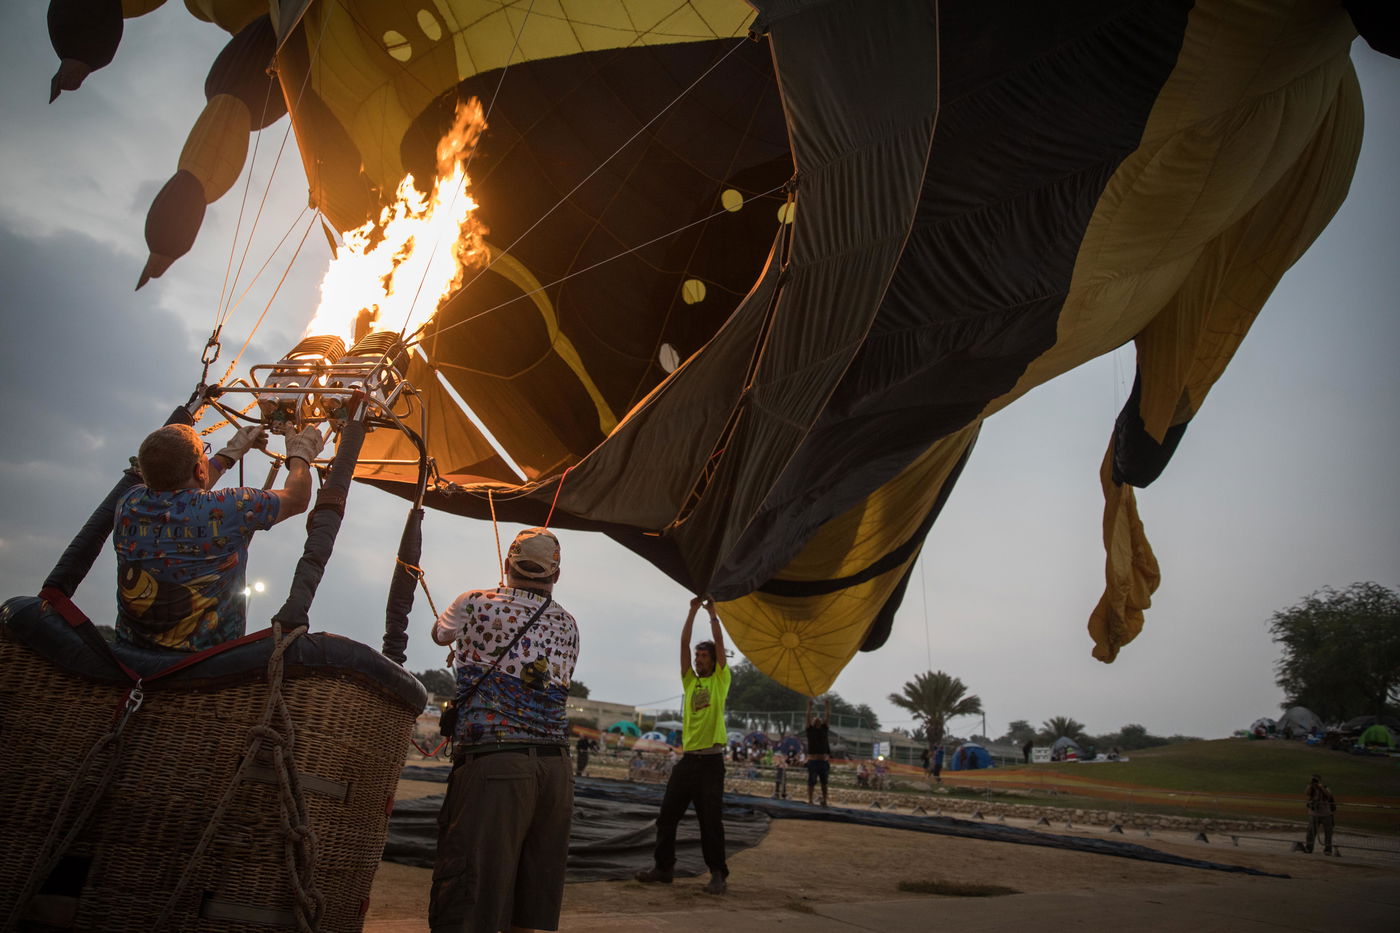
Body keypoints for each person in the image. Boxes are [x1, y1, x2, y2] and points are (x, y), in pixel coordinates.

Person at [429, 528, 579, 933]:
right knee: (530, 904)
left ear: (507, 565)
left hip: (496, 765)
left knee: (470, 895)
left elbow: (440, 634)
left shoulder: (476, 602)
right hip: (555, 772)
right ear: (556, 575)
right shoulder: (569, 624)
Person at [113, 422, 323, 652]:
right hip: (202, 666)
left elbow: (181, 489)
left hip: (129, 658)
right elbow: (297, 498)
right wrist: (301, 455)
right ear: (199, 470)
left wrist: (228, 455)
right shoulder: (231, 507)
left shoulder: (128, 503)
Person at [636, 597, 731, 895]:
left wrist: (712, 615)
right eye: (697, 655)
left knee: (710, 821)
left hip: (711, 763)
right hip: (688, 762)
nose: (698, 659)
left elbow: (718, 641)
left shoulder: (720, 680)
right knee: (667, 817)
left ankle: (717, 874)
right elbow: (683, 644)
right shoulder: (690, 681)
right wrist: (691, 612)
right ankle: (664, 868)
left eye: (704, 656)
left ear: (714, 661)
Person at [804, 697, 832, 806]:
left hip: (823, 762)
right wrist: (809, 707)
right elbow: (807, 716)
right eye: (815, 718)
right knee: (811, 781)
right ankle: (810, 800)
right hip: (813, 761)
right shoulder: (809, 730)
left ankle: (825, 800)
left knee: (824, 783)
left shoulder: (824, 729)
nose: (817, 719)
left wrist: (827, 706)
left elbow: (827, 716)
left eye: (818, 718)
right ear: (812, 722)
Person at [1305, 774, 1338, 854]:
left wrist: (1321, 787)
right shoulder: (1311, 788)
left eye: (1316, 780)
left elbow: (1329, 795)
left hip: (1326, 814)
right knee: (1311, 832)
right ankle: (1309, 848)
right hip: (1314, 814)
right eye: (1313, 780)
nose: (1314, 782)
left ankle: (1328, 850)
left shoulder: (1325, 788)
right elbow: (1307, 793)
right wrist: (1311, 786)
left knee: (1328, 833)